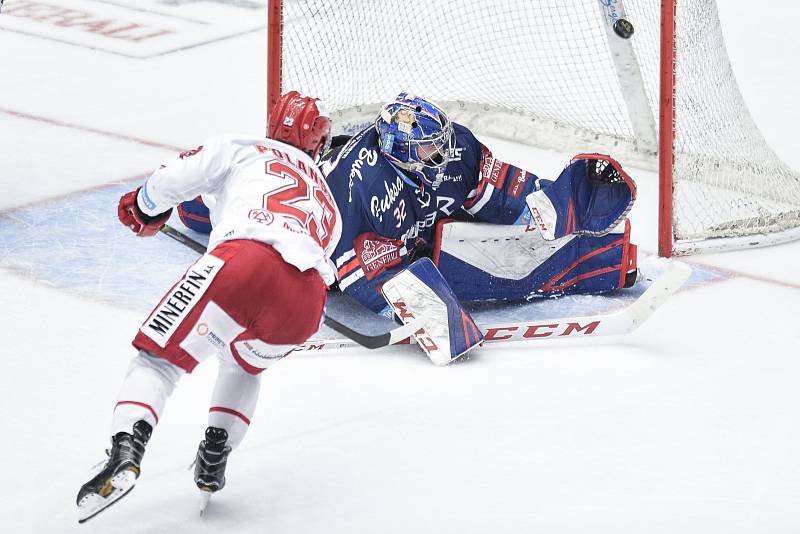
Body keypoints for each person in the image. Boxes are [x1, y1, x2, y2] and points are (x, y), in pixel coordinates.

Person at [76, 91, 340, 523]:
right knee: (241, 365)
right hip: (307, 303)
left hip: (245, 265)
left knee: (158, 361)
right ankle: (215, 455)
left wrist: (144, 208)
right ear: (318, 142)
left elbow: (170, 181)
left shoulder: (242, 146)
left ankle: (125, 450)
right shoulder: (327, 198)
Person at [178, 92, 637, 317]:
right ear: (398, 151)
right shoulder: (358, 188)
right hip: (340, 235)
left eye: (439, 142)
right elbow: (354, 270)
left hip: (401, 223)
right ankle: (197, 194)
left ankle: (602, 256)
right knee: (210, 212)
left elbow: (499, 188)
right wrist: (415, 302)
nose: (441, 153)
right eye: (427, 149)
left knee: (485, 221)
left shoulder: (453, 148)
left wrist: (550, 204)